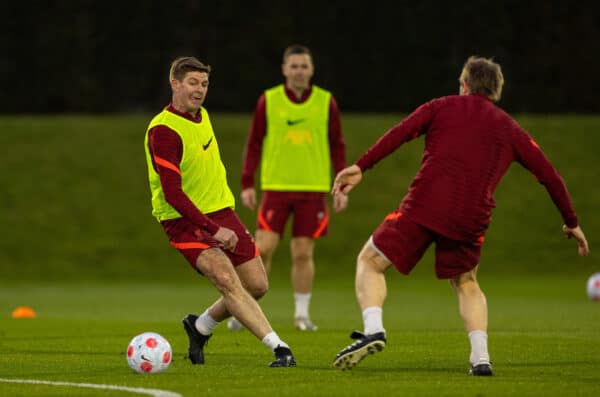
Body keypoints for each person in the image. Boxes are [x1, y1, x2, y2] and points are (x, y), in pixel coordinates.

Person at [330, 56, 589, 375]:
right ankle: (480, 359)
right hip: (471, 217)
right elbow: (549, 176)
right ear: (497, 91)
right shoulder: (509, 128)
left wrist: (362, 165)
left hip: (425, 206)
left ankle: (373, 329)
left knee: (370, 261)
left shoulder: (441, 106)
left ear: (464, 85)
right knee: (467, 282)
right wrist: (572, 221)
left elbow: (400, 133)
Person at [143, 56, 296, 367]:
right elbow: (173, 194)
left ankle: (199, 327)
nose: (200, 90)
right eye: (193, 83)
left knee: (257, 286)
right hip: (183, 220)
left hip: (222, 213)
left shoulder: (202, 116)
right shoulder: (163, 131)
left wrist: (222, 222)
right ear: (175, 83)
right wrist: (212, 229)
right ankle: (280, 348)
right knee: (227, 280)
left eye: (204, 84)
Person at [229, 44, 347, 331]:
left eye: (303, 65)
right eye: (293, 66)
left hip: (312, 189)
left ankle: (302, 315)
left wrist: (341, 185)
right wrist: (247, 182)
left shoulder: (325, 101)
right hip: (276, 187)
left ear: (312, 69)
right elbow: (254, 143)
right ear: (284, 69)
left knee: (303, 253)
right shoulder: (268, 101)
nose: (298, 71)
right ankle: (243, 310)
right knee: (263, 249)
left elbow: (337, 145)